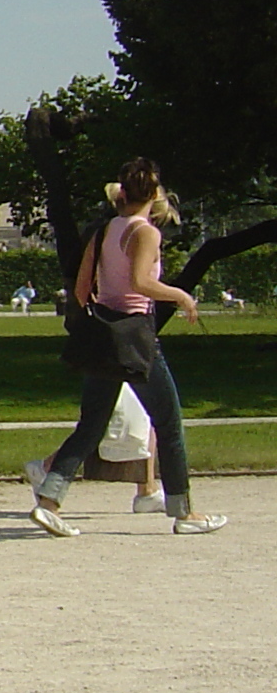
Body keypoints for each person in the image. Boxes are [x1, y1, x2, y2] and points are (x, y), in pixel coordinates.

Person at [24, 158, 226, 536]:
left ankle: (49, 502)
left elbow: (82, 289)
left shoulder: (103, 231)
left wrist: (101, 313)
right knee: (168, 422)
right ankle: (184, 512)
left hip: (103, 332)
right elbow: (141, 282)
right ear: (152, 194)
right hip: (135, 334)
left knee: (91, 425)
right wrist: (181, 296)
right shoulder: (145, 232)